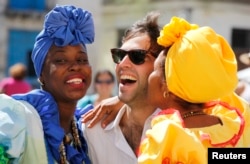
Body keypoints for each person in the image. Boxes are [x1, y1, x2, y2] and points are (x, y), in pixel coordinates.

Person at [81, 12, 206, 164]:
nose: (123, 64)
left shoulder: (189, 126)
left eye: (137, 56)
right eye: (119, 55)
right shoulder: (92, 129)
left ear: (162, 68)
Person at [137, 16, 250, 163]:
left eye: (154, 70)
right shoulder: (234, 126)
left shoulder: (167, 135)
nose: (149, 76)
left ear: (167, 85)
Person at [0, 5, 94, 163]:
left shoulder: (84, 129)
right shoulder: (19, 119)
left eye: (82, 60)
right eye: (61, 60)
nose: (76, 66)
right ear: (41, 74)